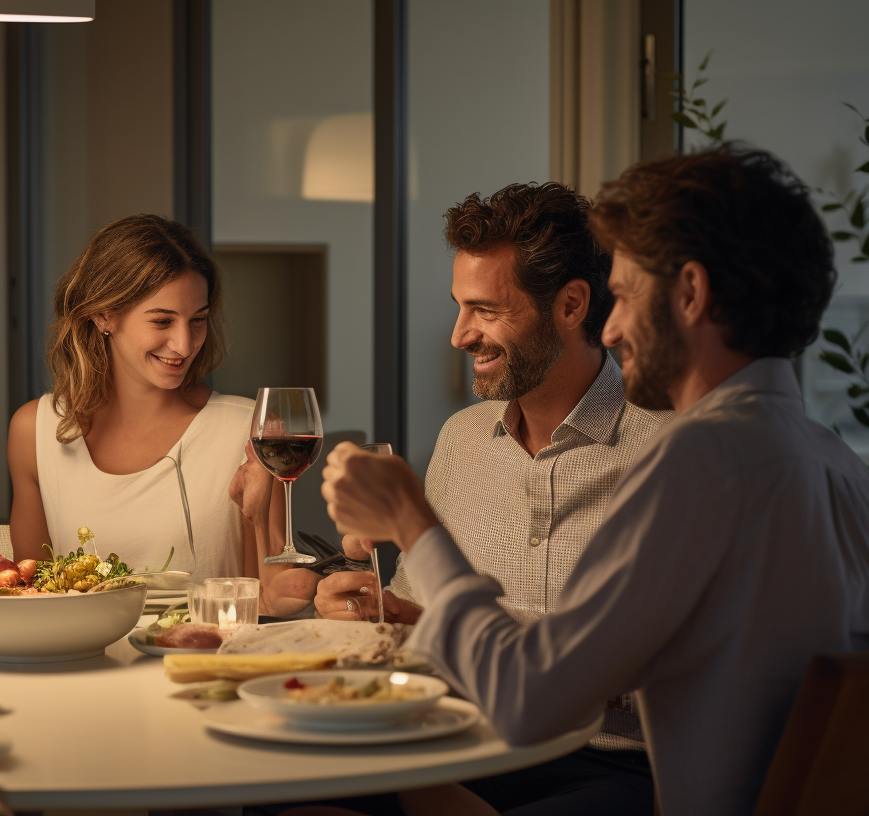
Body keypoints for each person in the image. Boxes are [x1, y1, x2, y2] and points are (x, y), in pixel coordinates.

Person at [320, 144, 869, 816]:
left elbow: (527, 701)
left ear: (689, 292)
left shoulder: (701, 462)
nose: (614, 325)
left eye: (623, 295)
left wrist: (411, 522)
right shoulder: (843, 471)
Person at [253, 182, 671, 815]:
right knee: (265, 802)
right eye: (459, 307)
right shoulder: (463, 437)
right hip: (458, 740)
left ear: (571, 305)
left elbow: (672, 666)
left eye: (485, 310)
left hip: (610, 765)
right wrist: (386, 612)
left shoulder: (665, 449)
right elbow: (427, 623)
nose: (458, 335)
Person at [8, 214, 257, 580]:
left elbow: (270, 600)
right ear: (104, 315)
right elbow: (30, 595)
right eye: (161, 321)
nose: (184, 345)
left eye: (198, 319)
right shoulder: (34, 431)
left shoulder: (247, 428)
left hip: (212, 638)